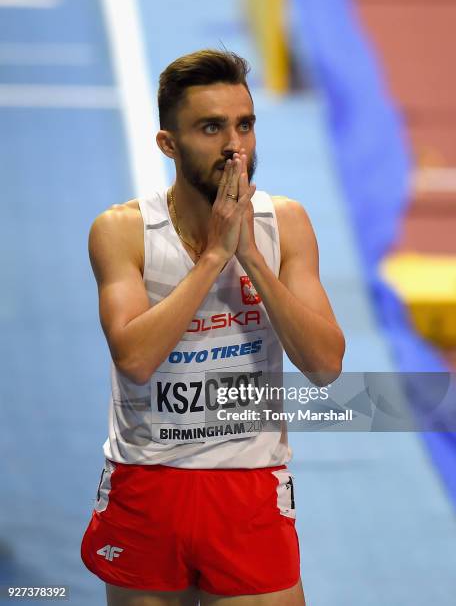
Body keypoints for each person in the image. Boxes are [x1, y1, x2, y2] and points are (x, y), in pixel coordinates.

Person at [80, 49, 345, 606]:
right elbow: (134, 358)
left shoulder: (285, 223)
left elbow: (325, 366)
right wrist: (210, 262)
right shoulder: (123, 231)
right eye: (211, 127)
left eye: (244, 125)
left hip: (248, 486)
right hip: (149, 485)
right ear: (168, 145)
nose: (235, 145)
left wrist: (248, 255)